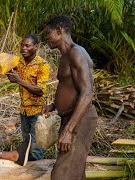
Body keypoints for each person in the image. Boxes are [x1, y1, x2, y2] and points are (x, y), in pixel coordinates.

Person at [43, 15, 98, 180]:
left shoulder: (76, 53)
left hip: (80, 120)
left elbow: (87, 92)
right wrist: (54, 105)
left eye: (48, 33)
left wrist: (68, 130)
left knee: (61, 175)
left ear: (59, 31)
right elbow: (72, 88)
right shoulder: (66, 55)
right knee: (74, 172)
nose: (47, 38)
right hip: (71, 118)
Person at [6, 35, 50, 161]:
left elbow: (40, 91)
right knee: (27, 142)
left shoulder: (43, 65)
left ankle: (38, 171)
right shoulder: (19, 62)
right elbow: (12, 78)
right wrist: (8, 63)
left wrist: (20, 80)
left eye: (27, 45)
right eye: (22, 45)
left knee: (36, 146)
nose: (23, 48)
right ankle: (29, 169)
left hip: (37, 111)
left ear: (36, 47)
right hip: (24, 110)